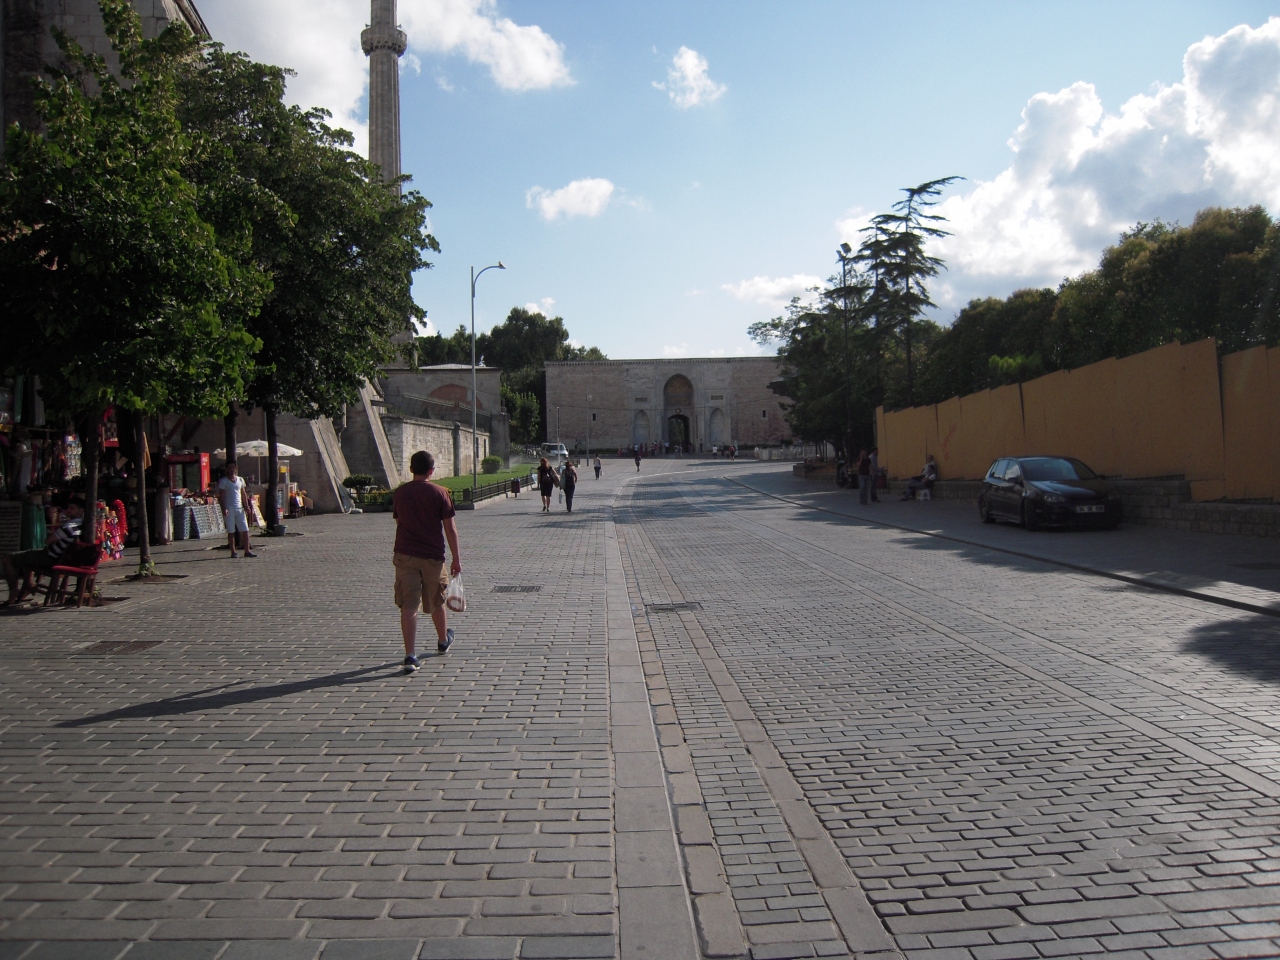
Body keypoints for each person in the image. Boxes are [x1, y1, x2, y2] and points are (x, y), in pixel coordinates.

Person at [392, 450, 462, 673]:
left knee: (409, 605)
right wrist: (456, 559)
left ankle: (410, 655)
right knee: (436, 600)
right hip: (433, 556)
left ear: (411, 469)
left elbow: (399, 522)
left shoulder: (400, 493)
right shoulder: (440, 493)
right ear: (432, 470)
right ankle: (442, 641)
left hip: (405, 555)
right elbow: (450, 529)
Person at [3, 495, 85, 605]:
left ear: (81, 510)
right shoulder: (84, 525)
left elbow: (48, 541)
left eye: (72, 508)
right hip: (62, 559)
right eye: (68, 508)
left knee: (8, 558)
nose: (68, 511)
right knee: (29, 555)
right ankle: (28, 585)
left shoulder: (70, 527)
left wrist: (54, 535)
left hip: (51, 558)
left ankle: (13, 592)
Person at [217, 460, 256, 558]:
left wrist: (246, 506)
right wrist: (224, 508)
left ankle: (247, 550)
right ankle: (233, 552)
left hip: (240, 508)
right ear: (226, 469)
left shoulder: (240, 480)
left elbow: (243, 494)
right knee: (231, 531)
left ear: (236, 468)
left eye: (232, 467)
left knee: (245, 529)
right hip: (229, 508)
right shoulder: (224, 481)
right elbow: (221, 496)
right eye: (229, 468)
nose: (231, 469)